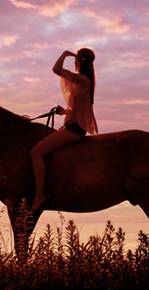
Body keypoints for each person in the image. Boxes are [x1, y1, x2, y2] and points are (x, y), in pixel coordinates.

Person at [29, 48, 98, 213]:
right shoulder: (86, 81)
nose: (74, 62)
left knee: (35, 153)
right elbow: (81, 107)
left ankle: (39, 195)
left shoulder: (81, 79)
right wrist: (65, 111)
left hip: (73, 129)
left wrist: (65, 54)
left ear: (79, 60)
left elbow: (56, 70)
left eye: (75, 59)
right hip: (72, 125)